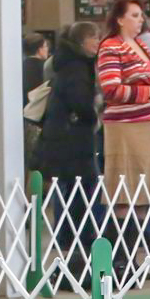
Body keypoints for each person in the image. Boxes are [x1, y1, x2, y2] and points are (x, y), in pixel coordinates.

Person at [33, 21, 102, 276]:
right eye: (94, 39)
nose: (97, 43)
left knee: (69, 190)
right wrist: (93, 112)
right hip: (74, 139)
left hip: (61, 137)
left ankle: (71, 237)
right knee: (80, 190)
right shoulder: (77, 68)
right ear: (82, 42)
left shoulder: (62, 63)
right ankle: (79, 240)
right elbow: (80, 102)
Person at [96, 0, 150, 208]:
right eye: (134, 16)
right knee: (125, 190)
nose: (140, 20)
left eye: (141, 16)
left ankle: (142, 239)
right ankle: (124, 237)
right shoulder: (111, 46)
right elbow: (112, 89)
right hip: (125, 125)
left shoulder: (141, 46)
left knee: (147, 193)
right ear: (119, 20)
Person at [21, 31, 50, 97]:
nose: (47, 49)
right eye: (45, 46)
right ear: (39, 50)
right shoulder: (45, 67)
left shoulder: (21, 66)